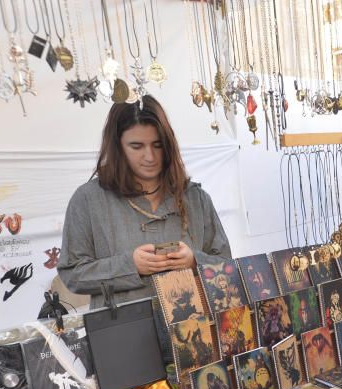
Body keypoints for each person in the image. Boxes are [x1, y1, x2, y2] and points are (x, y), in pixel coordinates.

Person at [58, 95, 231, 308]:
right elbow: (72, 274)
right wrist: (130, 266)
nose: (150, 157)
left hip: (193, 331)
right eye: (136, 146)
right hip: (125, 332)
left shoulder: (195, 198)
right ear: (117, 146)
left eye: (157, 145)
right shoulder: (88, 199)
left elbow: (227, 266)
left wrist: (195, 262)